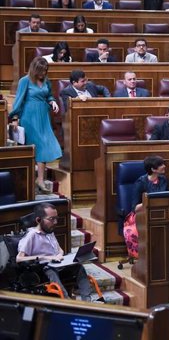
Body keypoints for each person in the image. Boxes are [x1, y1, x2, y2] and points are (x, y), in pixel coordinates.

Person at [17, 203, 99, 302]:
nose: (55, 222)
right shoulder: (31, 236)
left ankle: (87, 300)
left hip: (58, 264)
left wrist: (60, 254)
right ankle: (66, 301)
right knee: (50, 271)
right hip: (44, 268)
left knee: (79, 267)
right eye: (51, 219)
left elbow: (60, 249)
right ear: (38, 220)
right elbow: (19, 258)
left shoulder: (49, 231)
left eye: (56, 218)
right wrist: (46, 257)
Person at [11, 57, 61, 190]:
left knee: (44, 145)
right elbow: (19, 100)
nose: (43, 73)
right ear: (34, 69)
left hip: (43, 116)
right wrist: (15, 118)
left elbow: (49, 95)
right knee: (39, 145)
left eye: (45, 70)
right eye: (41, 70)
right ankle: (38, 179)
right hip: (29, 116)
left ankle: (40, 179)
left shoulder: (46, 81)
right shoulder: (24, 81)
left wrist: (52, 101)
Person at [124, 155, 168, 258]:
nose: (164, 166)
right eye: (161, 165)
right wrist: (148, 201)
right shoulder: (141, 182)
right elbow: (135, 208)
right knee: (136, 231)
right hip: (140, 215)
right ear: (153, 169)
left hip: (158, 213)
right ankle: (143, 258)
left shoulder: (163, 180)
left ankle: (160, 256)